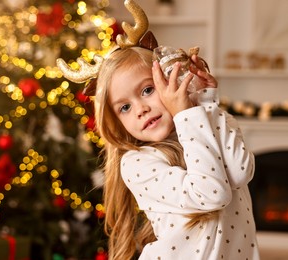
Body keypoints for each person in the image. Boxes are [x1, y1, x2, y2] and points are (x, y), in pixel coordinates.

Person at [57, 1, 259, 259]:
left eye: (148, 90)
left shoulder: (201, 124)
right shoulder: (138, 163)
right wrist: (188, 115)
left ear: (168, 81)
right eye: (125, 107)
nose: (140, 108)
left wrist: (206, 103)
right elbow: (213, 194)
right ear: (116, 123)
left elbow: (241, 172)